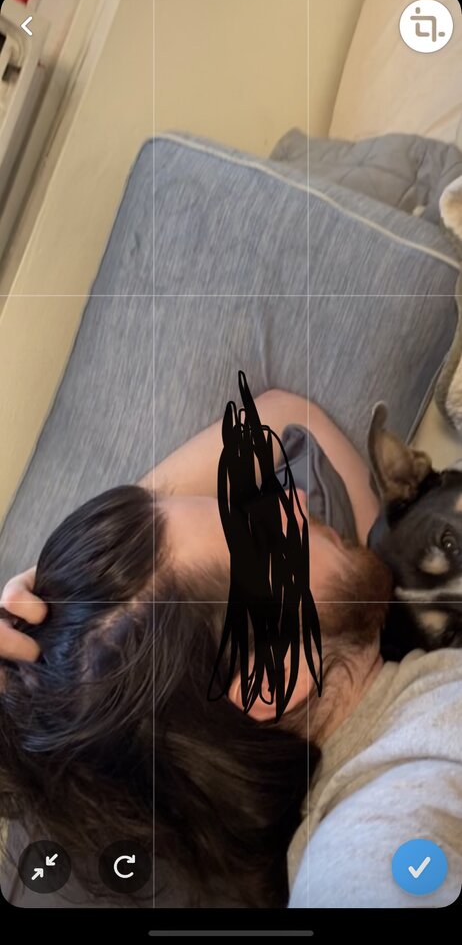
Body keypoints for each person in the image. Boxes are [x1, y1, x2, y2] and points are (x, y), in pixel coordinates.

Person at [2, 389, 462, 908]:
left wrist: (82, 601)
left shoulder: (382, 651)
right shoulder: (377, 832)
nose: (295, 498)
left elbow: (286, 418)